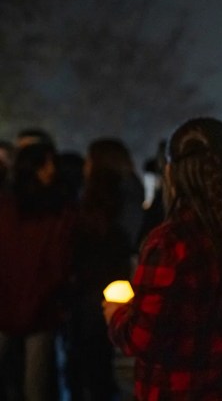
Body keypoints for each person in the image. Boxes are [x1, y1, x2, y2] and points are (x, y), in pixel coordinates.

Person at [104, 117, 222, 400]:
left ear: (172, 173)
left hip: (176, 390)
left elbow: (143, 338)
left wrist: (116, 314)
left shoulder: (169, 243)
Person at [66, 139, 140, 401]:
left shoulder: (97, 201)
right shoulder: (127, 192)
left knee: (90, 356)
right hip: (111, 280)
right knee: (99, 356)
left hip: (93, 283)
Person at [0, 143, 75, 401]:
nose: (52, 169)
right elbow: (59, 262)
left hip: (8, 299)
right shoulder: (57, 211)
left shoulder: (6, 207)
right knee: (37, 381)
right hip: (41, 302)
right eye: (47, 163)